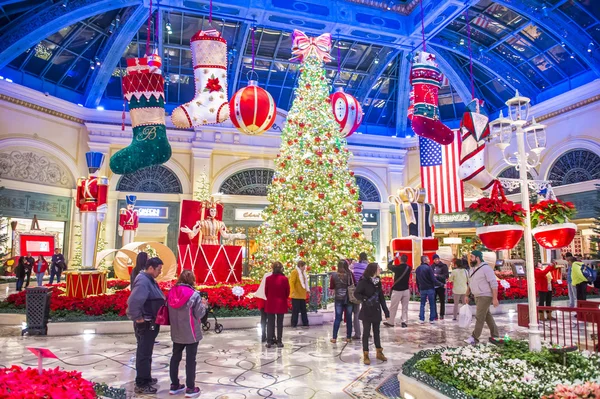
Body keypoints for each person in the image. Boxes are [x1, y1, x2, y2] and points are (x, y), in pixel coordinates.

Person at [126, 257, 166, 395]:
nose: (160, 272)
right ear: (150, 268)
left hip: (152, 322)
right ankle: (141, 384)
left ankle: (146, 377)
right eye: (159, 269)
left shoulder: (148, 279)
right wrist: (139, 320)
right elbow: (133, 303)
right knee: (143, 352)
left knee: (147, 351)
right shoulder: (143, 281)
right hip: (146, 323)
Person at [167, 270, 207, 398]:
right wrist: (204, 305)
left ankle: (174, 385)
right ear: (192, 280)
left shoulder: (171, 292)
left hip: (176, 331)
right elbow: (199, 314)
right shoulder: (194, 295)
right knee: (191, 360)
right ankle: (190, 388)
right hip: (191, 332)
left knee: (175, 357)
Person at [354, 263, 389, 365]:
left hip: (376, 310)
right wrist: (365, 299)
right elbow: (356, 293)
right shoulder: (364, 281)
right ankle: (366, 354)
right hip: (367, 310)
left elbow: (381, 296)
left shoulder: (378, 281)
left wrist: (386, 311)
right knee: (366, 332)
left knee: (377, 332)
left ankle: (379, 352)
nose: (380, 270)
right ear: (373, 270)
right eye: (378, 268)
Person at [464, 250, 500, 345]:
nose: (470, 259)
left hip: (485, 296)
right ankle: (495, 335)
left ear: (477, 258)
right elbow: (470, 283)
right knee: (487, 316)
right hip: (477, 296)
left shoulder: (486, 268)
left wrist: (495, 298)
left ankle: (474, 338)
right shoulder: (472, 269)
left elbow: (494, 283)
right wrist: (467, 294)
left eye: (471, 257)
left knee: (479, 317)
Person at [329, 259, 355, 343]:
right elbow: (354, 284)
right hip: (348, 299)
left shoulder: (334, 275)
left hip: (338, 298)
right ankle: (348, 337)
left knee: (337, 318)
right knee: (349, 318)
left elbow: (332, 286)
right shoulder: (350, 274)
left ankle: (334, 337)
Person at [264, 262, 290, 348]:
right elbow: (287, 292)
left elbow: (266, 292)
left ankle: (269, 341)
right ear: (281, 268)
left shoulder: (268, 279)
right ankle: (279, 341)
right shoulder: (285, 279)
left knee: (270, 322)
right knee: (280, 323)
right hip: (281, 303)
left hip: (271, 303)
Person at [384, 254, 412, 328]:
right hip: (406, 290)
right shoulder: (409, 267)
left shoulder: (397, 268)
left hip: (397, 290)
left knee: (393, 307)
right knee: (405, 307)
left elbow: (389, 265)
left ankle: (391, 322)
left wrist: (393, 259)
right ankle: (404, 322)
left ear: (400, 260)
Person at [351, 252, 369, 340]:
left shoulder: (355, 266)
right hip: (366, 291)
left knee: (356, 312)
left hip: (357, 291)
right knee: (367, 312)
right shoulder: (368, 267)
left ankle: (357, 333)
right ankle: (367, 332)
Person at [415, 256, 437, 324]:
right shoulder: (429, 268)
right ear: (425, 260)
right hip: (430, 288)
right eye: (428, 259)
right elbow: (433, 279)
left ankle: (421, 318)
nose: (429, 260)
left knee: (422, 304)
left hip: (422, 288)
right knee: (432, 304)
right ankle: (432, 319)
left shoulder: (418, 269)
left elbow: (417, 280)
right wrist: (441, 284)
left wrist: (419, 288)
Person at [254, 267, 273, 343]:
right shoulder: (272, 276)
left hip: (262, 299)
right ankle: (270, 336)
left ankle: (263, 336)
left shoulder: (266, 275)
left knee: (263, 319)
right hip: (269, 300)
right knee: (270, 319)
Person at [289, 260, 309, 328]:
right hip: (296, 295)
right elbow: (292, 282)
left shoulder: (303, 273)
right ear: (300, 266)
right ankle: (294, 323)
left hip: (302, 294)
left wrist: (307, 290)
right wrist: (293, 291)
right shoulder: (294, 272)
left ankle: (305, 323)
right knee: (295, 310)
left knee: (304, 310)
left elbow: (305, 282)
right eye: (304, 266)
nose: (304, 268)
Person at [432, 254, 449, 320]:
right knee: (433, 301)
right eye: (435, 259)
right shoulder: (432, 266)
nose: (437, 260)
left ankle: (442, 314)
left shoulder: (443, 266)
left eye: (438, 259)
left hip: (441, 285)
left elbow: (446, 275)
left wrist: (437, 275)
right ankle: (435, 315)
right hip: (434, 286)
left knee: (442, 301)